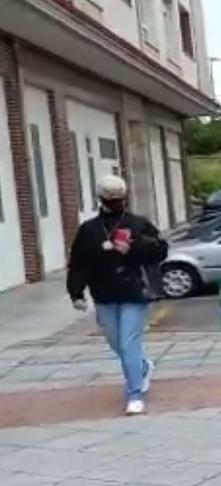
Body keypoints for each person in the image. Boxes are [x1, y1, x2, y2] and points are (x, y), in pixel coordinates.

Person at [67, 175, 168, 415]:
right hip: (104, 293)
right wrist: (76, 292)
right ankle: (142, 366)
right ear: (101, 199)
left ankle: (135, 393)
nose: (114, 203)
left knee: (128, 341)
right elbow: (79, 262)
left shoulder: (138, 224)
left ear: (125, 198)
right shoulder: (90, 230)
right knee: (116, 342)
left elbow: (160, 251)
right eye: (110, 199)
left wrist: (135, 247)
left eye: (118, 199)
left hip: (134, 291)